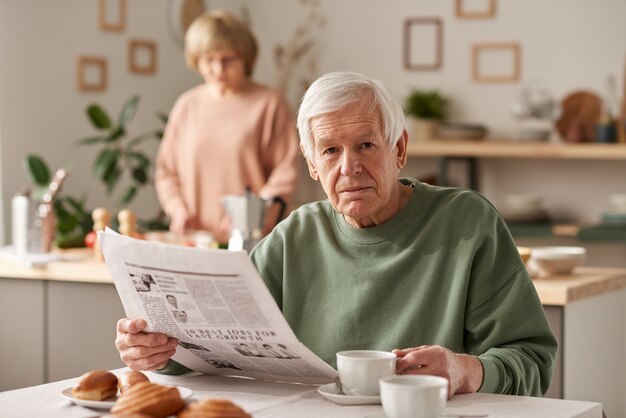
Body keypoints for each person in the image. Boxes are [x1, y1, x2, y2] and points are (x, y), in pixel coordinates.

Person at [115, 71, 557, 397]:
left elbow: (533, 362)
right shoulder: (294, 237)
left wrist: (466, 371)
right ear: (312, 165)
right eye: (330, 151)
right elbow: (215, 345)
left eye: (366, 145)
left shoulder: (466, 223)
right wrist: (158, 351)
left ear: (399, 148)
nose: (349, 168)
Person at [155, 11, 299, 243]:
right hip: (195, 242)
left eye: (228, 59)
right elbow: (166, 173)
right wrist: (177, 210)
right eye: (209, 60)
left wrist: (249, 215)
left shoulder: (270, 104)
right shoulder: (186, 106)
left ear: (245, 58)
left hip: (253, 242)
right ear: (196, 60)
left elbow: (285, 172)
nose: (218, 69)